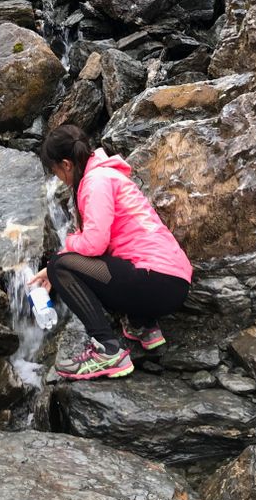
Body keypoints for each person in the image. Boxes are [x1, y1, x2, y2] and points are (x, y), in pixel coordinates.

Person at [29, 123, 192, 381]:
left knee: (60, 264)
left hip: (153, 280)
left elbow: (94, 244)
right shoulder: (108, 175)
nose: (57, 177)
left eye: (55, 170)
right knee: (73, 264)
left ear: (66, 164)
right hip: (174, 283)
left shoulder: (96, 182)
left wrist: (61, 257)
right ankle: (143, 325)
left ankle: (108, 349)